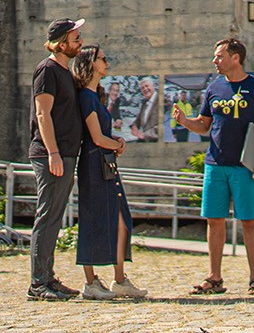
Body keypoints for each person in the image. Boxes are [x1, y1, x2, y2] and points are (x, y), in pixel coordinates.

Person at [171, 37, 254, 295]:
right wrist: (184, 121)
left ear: (235, 58)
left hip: (244, 166)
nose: (214, 61)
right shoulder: (214, 88)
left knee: (248, 221)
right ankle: (214, 278)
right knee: (214, 220)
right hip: (215, 165)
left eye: (219, 56)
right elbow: (204, 125)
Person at [69, 44, 148, 300]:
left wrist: (115, 141)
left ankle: (120, 279)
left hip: (106, 163)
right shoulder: (86, 97)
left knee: (122, 219)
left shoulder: (97, 95)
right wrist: (118, 144)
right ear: (91, 63)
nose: (107, 62)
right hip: (94, 165)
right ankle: (91, 281)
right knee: (93, 220)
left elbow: (104, 135)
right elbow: (96, 137)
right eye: (102, 59)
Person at [27, 16, 86, 301]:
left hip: (65, 153)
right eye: (76, 39)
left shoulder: (65, 72)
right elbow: (43, 114)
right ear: (62, 44)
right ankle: (38, 284)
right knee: (47, 217)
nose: (81, 43)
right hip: (51, 154)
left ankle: (48, 278)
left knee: (53, 219)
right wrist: (53, 153)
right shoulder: (47, 70)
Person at [129, 76, 160, 141]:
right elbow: (138, 119)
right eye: (142, 88)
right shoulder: (144, 102)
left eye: (147, 86)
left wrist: (145, 135)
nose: (145, 89)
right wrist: (134, 126)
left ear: (153, 86)